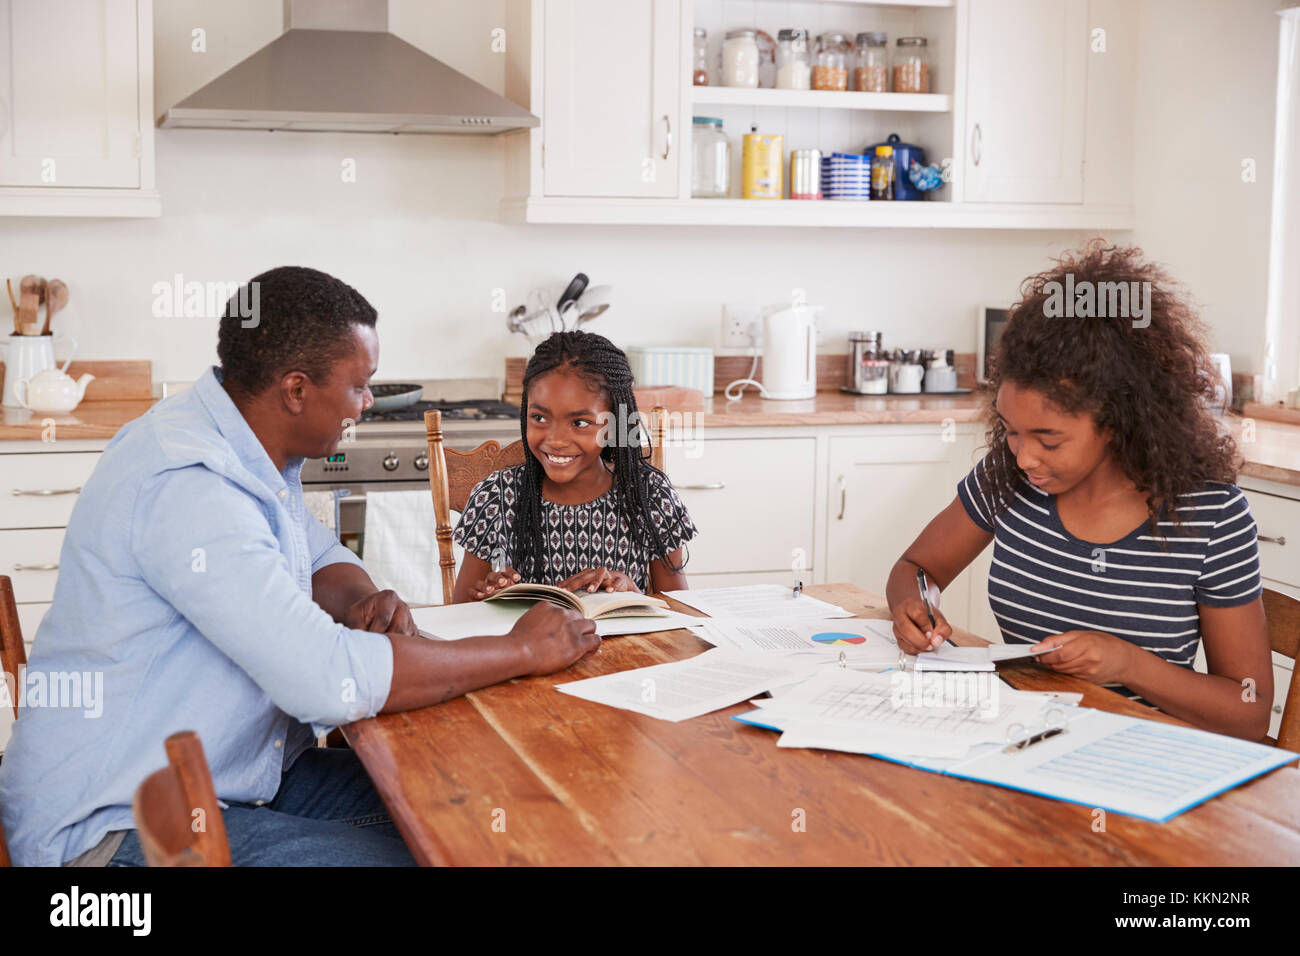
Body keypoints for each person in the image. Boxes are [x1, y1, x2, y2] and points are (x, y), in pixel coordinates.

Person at [0, 266, 598, 867]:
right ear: (295, 390)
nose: (367, 403)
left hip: (240, 779)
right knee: (440, 851)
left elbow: (317, 557)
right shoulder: (189, 482)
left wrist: (364, 598)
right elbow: (324, 679)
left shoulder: (240, 442)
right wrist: (519, 651)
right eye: (360, 386)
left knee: (481, 809)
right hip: (114, 831)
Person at [885, 242, 1272, 740]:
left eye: (1049, 439)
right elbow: (918, 568)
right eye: (1010, 429)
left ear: (1119, 421)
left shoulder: (1208, 516)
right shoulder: (1008, 478)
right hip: (1024, 740)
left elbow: (1250, 713)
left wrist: (1129, 665)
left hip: (1141, 761)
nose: (1024, 456)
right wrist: (914, 605)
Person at [453, 330, 697, 602]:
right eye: (539, 418)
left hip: (629, 645)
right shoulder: (496, 497)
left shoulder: (649, 495)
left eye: (580, 423)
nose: (556, 440)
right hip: (529, 645)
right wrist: (488, 598)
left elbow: (681, 614)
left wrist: (636, 595)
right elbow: (458, 618)